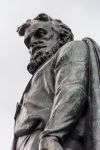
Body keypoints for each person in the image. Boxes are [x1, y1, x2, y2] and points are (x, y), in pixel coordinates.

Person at [12, 13, 100, 150]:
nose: (33, 43)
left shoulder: (71, 49)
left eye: (40, 33)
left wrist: (52, 135)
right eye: (28, 42)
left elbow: (72, 90)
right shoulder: (38, 75)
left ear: (61, 35)